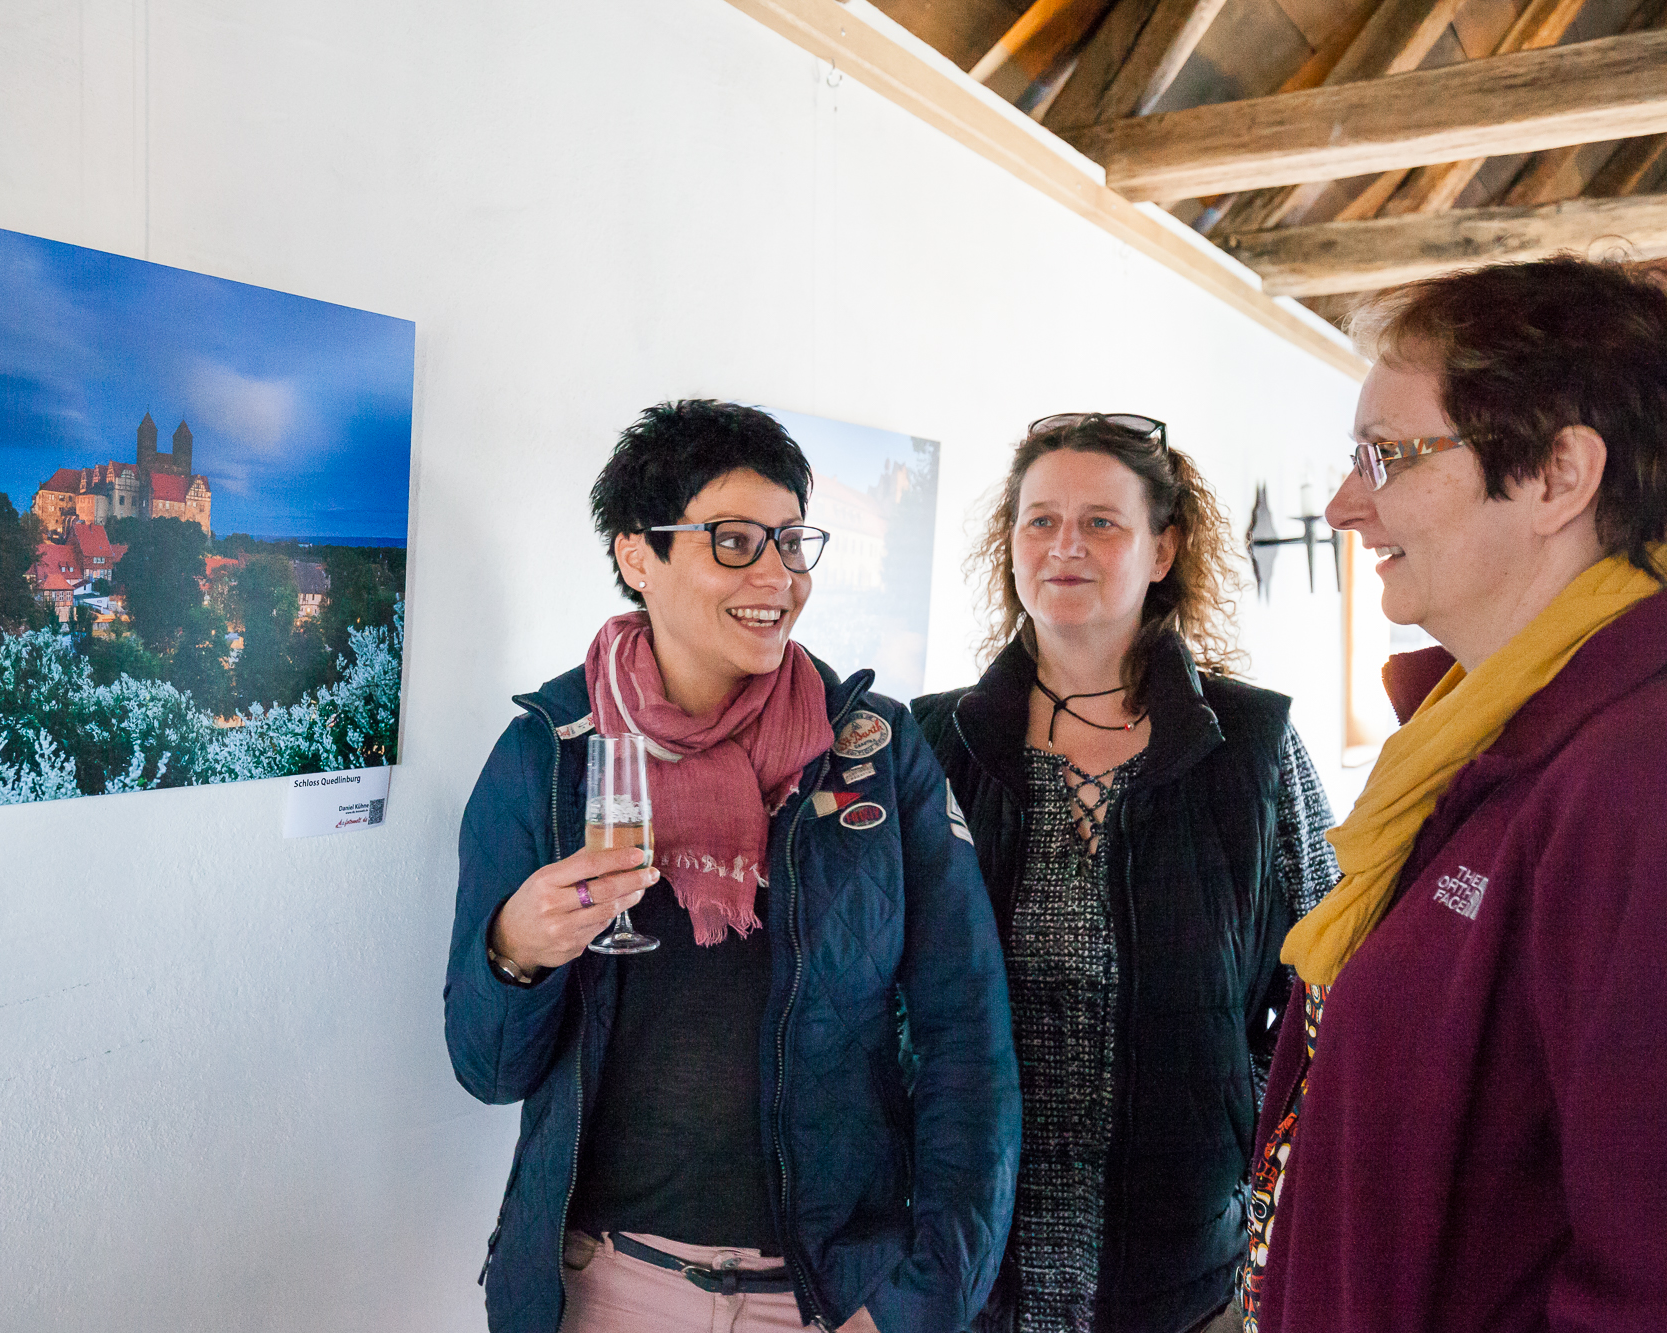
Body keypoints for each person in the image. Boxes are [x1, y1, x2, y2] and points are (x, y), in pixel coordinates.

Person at [445, 399, 1021, 1333]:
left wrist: (920, 1301)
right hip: (605, 1290)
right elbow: (487, 1067)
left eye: (793, 543)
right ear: (639, 556)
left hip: (829, 1301)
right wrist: (516, 947)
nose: (777, 576)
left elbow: (969, 1038)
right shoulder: (550, 755)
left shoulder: (872, 752)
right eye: (735, 540)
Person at [1242, 256, 1667, 1333]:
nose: (1342, 504)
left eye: (1387, 455)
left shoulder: (1664, 777)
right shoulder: (1487, 740)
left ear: (1558, 475)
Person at [912, 414, 1338, 1333]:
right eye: (1040, 521)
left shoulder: (1252, 747)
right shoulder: (931, 744)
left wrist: (1240, 1127)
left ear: (1162, 549)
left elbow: (1331, 974)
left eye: (1102, 521)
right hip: (966, 1270)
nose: (1066, 545)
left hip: (1187, 1275)